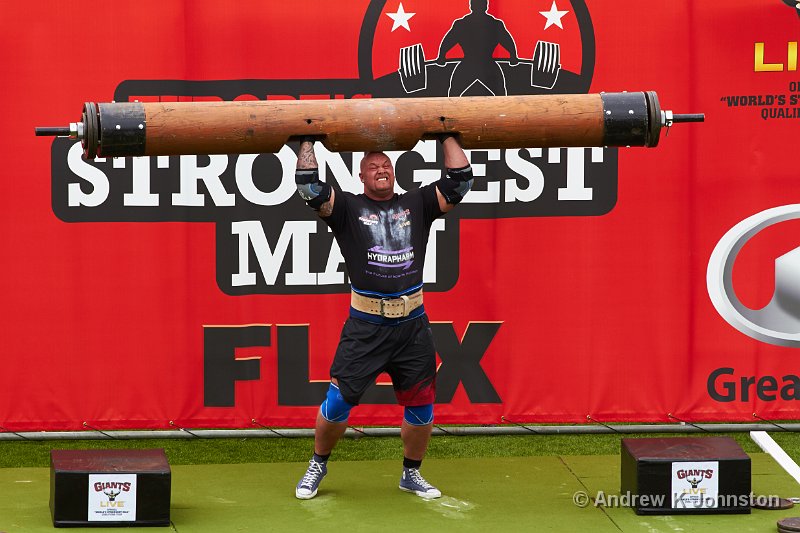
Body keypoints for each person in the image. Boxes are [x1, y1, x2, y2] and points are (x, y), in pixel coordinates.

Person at [293, 135, 473, 500]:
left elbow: (460, 183)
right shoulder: (346, 208)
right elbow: (309, 187)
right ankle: (318, 462)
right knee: (338, 401)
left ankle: (411, 474)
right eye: (373, 166)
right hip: (366, 325)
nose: (382, 169)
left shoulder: (418, 203)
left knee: (421, 407)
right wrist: (307, 140)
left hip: (413, 326)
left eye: (386, 165)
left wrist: (447, 134)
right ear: (361, 176)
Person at [437, 0, 518, 96]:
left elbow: (447, 42)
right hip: (482, 64)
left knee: (454, 92)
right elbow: (448, 41)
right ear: (486, 6)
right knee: (454, 92)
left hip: (475, 65)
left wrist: (442, 57)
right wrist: (513, 57)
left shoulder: (462, 24)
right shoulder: (494, 24)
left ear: (471, 6)